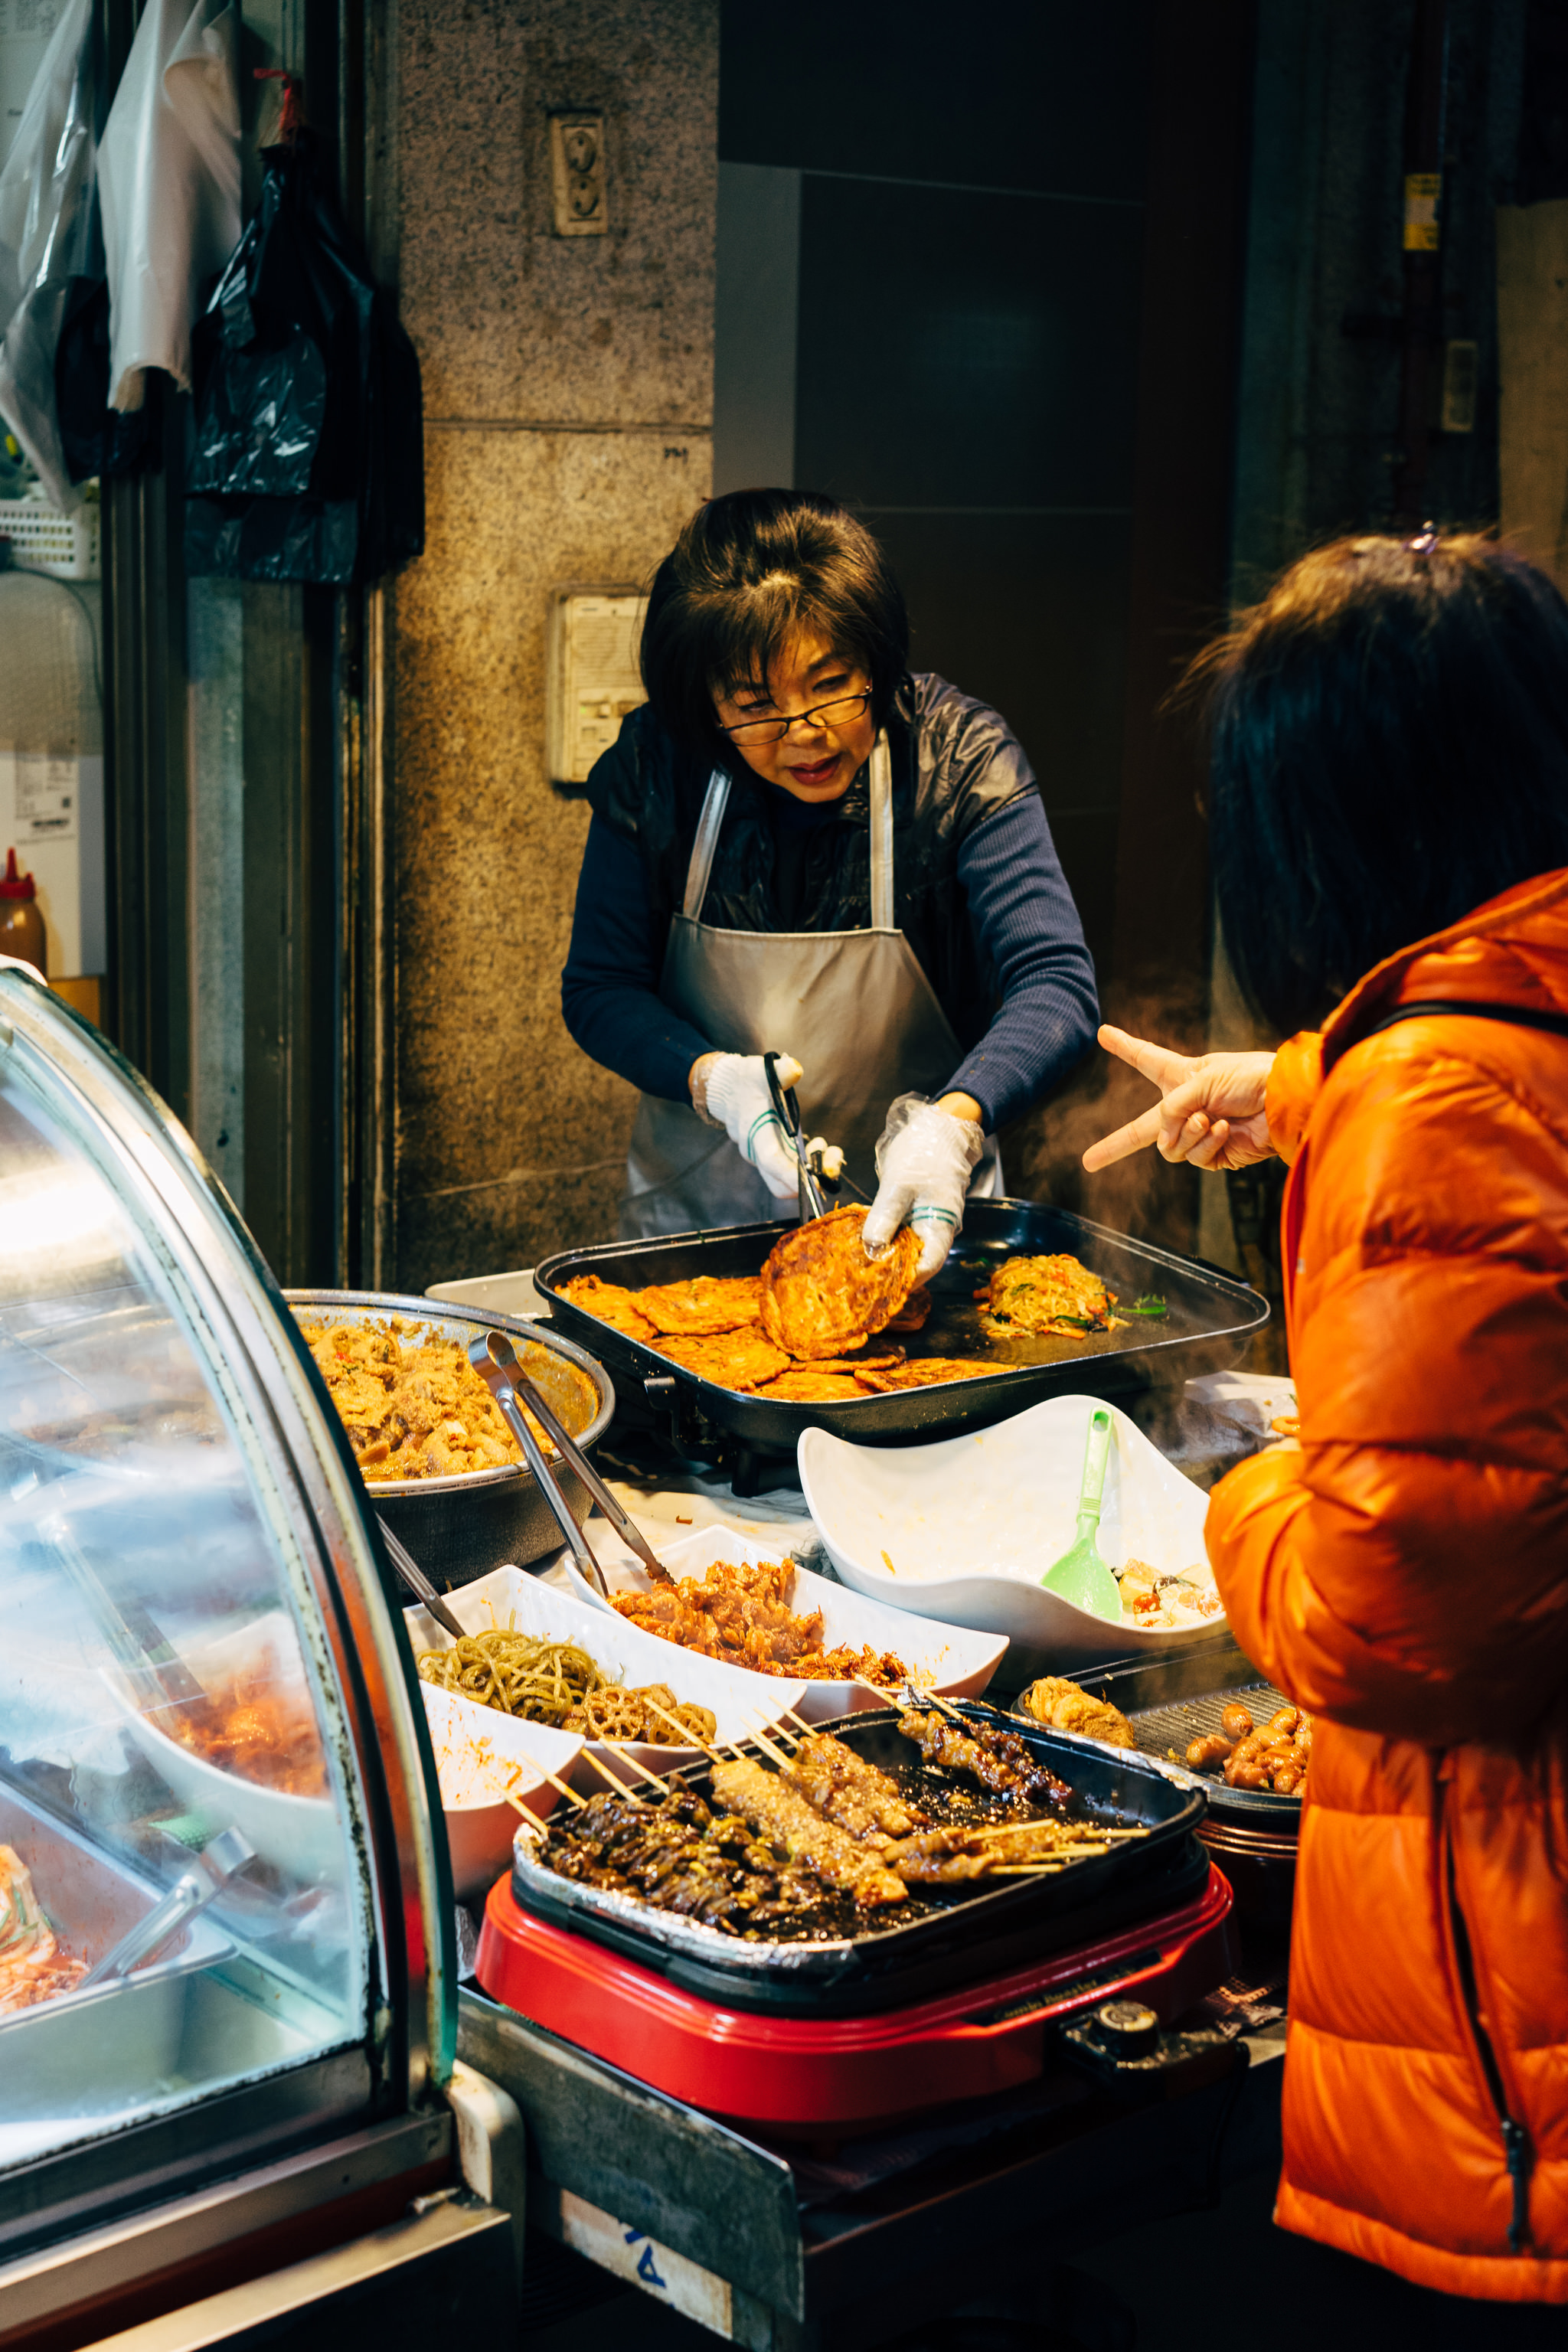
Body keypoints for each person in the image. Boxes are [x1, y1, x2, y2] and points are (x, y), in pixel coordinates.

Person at [1083, 531, 1568, 2314]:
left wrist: (1246, 1476)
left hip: (1499, 2034)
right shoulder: (1488, 1023)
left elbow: (1390, 1623)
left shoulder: (1429, 1103)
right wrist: (1289, 1088)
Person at [561, 489, 1098, 1263]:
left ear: (875, 661)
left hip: (918, 1229)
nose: (803, 733)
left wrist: (954, 1121)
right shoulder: (658, 766)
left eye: (829, 685)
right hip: (695, 1236)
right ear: (704, 706)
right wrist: (711, 1080)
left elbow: (1055, 984)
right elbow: (599, 987)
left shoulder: (958, 760)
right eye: (753, 704)